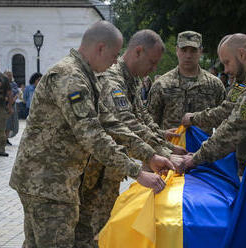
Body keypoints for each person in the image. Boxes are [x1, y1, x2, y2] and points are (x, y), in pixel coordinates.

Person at [9, 21, 174, 248]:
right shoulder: (71, 77)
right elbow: (92, 135)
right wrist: (137, 171)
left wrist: (150, 155)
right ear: (100, 48)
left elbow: (111, 123)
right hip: (48, 183)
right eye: (114, 54)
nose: (116, 61)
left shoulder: (88, 78)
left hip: (51, 182)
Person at [76, 30, 187, 247]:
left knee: (104, 223)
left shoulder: (132, 80)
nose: (153, 69)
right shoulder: (113, 79)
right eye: (152, 62)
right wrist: (164, 152)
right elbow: (125, 120)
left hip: (111, 168)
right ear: (138, 52)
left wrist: (163, 141)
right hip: (96, 168)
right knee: (94, 227)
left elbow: (142, 115)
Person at [180, 33, 246, 246]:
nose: (225, 70)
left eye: (227, 62)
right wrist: (195, 120)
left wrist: (196, 158)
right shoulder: (244, 83)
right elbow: (226, 111)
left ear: (242, 54)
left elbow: (234, 128)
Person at [147, 31, 226, 135]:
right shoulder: (162, 84)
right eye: (183, 50)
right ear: (177, 50)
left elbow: (224, 121)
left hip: (204, 147)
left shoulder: (214, 85)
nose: (188, 55)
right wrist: (162, 135)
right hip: (170, 147)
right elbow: (149, 123)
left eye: (193, 50)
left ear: (201, 51)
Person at [4, 71, 19, 145]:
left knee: (10, 123)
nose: (9, 77)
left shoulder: (14, 84)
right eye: (8, 75)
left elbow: (17, 93)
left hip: (12, 105)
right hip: (4, 105)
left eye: (10, 75)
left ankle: (6, 139)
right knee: (5, 123)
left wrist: (13, 100)